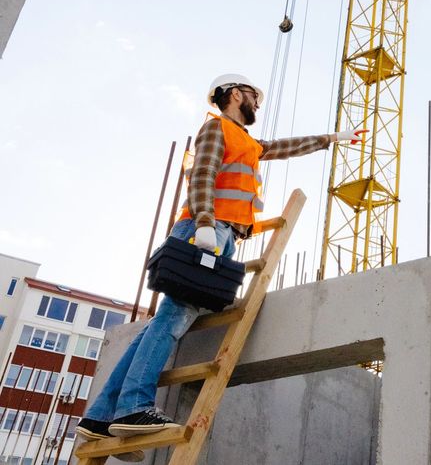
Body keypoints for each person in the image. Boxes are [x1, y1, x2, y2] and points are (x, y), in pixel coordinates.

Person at [77, 74, 364, 456]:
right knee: (173, 320)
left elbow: (282, 147)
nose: (257, 102)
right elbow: (202, 176)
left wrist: (330, 139)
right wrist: (206, 223)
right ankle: (133, 407)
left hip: (221, 234)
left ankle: (99, 416)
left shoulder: (246, 141)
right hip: (205, 230)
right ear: (231, 95)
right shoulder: (216, 129)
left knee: (163, 323)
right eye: (251, 95)